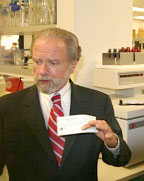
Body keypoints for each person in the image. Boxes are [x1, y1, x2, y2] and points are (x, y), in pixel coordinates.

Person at [0, 28, 131, 181]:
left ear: (73, 65)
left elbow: (121, 159)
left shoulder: (98, 102)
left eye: (53, 63)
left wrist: (112, 141)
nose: (42, 71)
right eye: (37, 61)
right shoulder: (8, 106)